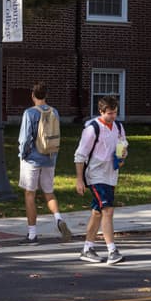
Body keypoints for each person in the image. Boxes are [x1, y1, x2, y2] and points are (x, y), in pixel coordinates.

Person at [73, 94, 127, 265]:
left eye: (115, 113)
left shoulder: (118, 127)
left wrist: (121, 156)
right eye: (109, 113)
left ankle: (87, 248)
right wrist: (79, 179)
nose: (112, 117)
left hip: (111, 174)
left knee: (97, 213)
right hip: (96, 174)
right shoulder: (92, 129)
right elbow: (80, 155)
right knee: (107, 210)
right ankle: (112, 250)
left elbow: (122, 145)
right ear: (101, 111)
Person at [17, 82, 72, 244]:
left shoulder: (29, 113)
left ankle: (32, 234)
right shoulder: (54, 111)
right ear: (46, 95)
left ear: (32, 95)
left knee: (29, 194)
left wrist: (23, 154)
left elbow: (25, 138)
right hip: (50, 157)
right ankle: (58, 219)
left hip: (32, 159)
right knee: (49, 192)